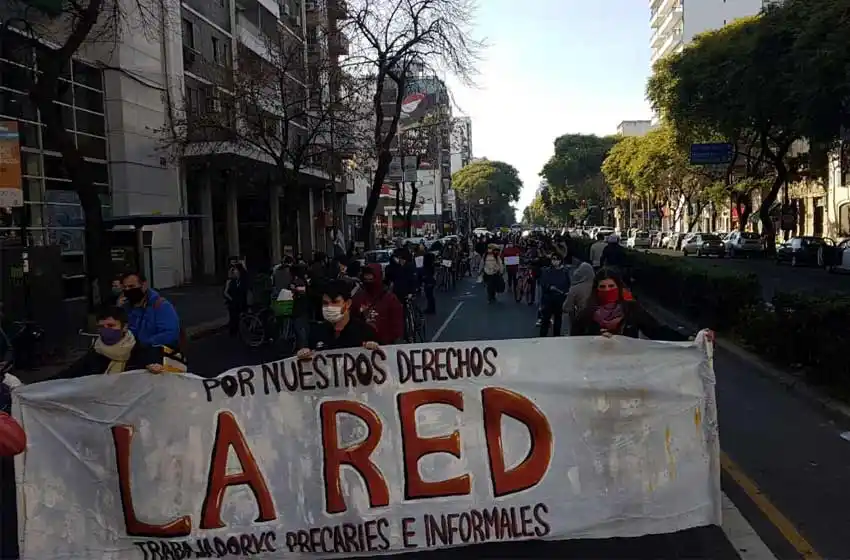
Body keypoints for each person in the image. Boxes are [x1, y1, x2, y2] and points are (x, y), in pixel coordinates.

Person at [570, 269, 688, 340]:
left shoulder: (631, 309)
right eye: (602, 287)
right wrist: (596, 338)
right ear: (596, 290)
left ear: (618, 288)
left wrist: (688, 338)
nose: (607, 290)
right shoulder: (586, 314)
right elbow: (575, 342)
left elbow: (656, 330)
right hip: (596, 370)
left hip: (627, 368)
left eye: (611, 286)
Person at [56, 307, 163, 378]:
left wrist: (155, 366)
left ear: (124, 327)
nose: (106, 330)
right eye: (101, 327)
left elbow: (159, 365)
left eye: (111, 326)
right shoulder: (95, 353)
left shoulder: (144, 351)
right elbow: (70, 374)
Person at [296, 279, 380, 358]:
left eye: (335, 302)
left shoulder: (365, 332)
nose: (329, 307)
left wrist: (373, 350)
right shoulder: (317, 332)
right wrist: (304, 355)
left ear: (348, 303)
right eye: (325, 303)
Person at [121, 272, 182, 348]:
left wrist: (145, 343)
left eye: (131, 286)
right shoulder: (126, 307)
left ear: (144, 285)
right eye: (125, 287)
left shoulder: (161, 305)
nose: (127, 290)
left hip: (154, 353)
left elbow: (170, 333)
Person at [352, 264, 404, 345]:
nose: (367, 278)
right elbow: (353, 320)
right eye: (366, 275)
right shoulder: (358, 297)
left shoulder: (390, 298)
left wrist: (394, 342)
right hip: (363, 345)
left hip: (385, 345)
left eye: (370, 275)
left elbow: (397, 324)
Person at [538, 254, 570, 337]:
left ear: (560, 261)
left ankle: (557, 337)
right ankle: (542, 338)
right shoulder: (547, 271)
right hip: (548, 299)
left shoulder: (565, 271)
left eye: (556, 259)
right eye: (553, 259)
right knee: (545, 320)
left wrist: (566, 292)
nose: (555, 261)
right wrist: (549, 287)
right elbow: (543, 283)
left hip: (559, 299)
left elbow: (568, 284)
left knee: (558, 320)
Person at [564, 262, 595, 329]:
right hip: (597, 319)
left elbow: (567, 307)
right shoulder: (598, 286)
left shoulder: (575, 288)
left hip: (580, 319)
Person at [223, 265, 249, 337]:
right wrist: (231, 299)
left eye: (236, 270)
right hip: (233, 302)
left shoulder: (242, 281)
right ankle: (233, 332)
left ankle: (239, 331)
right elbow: (225, 292)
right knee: (233, 317)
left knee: (241, 317)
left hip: (241, 301)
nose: (235, 272)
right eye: (234, 271)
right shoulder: (230, 281)